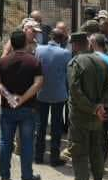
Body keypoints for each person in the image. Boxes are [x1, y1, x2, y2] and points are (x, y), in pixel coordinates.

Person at [0, 31, 43, 180]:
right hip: (28, 109)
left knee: (5, 142)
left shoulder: (2, 62)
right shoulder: (34, 61)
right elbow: (39, 83)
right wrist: (23, 99)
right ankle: (27, 175)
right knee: (27, 144)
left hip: (8, 109)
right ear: (26, 43)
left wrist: (9, 96)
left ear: (11, 44)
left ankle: (4, 175)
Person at [67, 32, 108, 180]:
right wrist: (100, 105)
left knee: (79, 153)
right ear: (87, 44)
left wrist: (94, 108)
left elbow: (75, 92)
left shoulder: (75, 63)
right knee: (96, 151)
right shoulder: (102, 62)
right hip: (97, 118)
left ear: (74, 45)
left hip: (80, 118)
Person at [35, 27, 72, 166]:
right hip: (58, 94)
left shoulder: (39, 50)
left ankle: (38, 156)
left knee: (41, 126)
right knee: (56, 127)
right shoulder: (65, 53)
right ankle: (54, 158)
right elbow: (68, 75)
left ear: (50, 36)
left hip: (41, 93)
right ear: (62, 39)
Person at [90, 33, 108, 161]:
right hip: (105, 104)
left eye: (90, 42)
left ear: (94, 44)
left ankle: (92, 160)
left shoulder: (89, 59)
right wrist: (107, 101)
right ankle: (102, 159)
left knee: (91, 133)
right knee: (103, 133)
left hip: (92, 105)